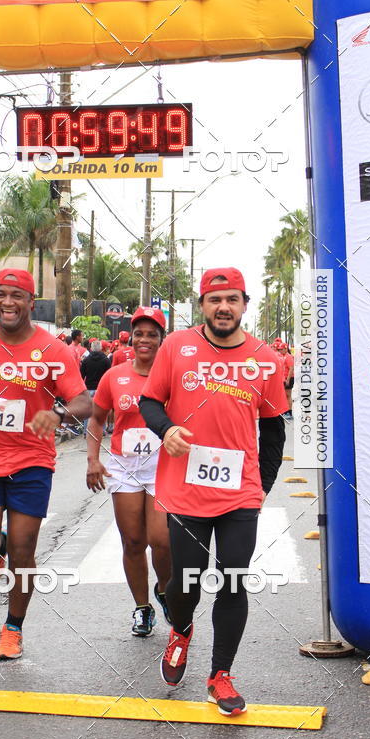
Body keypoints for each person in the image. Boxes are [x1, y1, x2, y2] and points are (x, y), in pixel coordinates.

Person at [139, 268, 286, 716]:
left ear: (244, 305)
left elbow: (274, 429)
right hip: (186, 489)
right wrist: (166, 430)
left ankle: (220, 676)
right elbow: (150, 401)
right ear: (202, 305)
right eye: (215, 299)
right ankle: (180, 629)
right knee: (186, 581)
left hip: (239, 492)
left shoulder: (264, 358)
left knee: (233, 580)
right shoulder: (176, 346)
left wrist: (261, 487)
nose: (224, 307)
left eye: (232, 299)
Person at [0, 269, 92, 661]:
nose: (7, 302)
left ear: (31, 302)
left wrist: (57, 413)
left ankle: (12, 628)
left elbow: (84, 401)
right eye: (1, 294)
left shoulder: (53, 349)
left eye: (17, 295)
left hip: (32, 461)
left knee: (23, 551)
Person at [86, 306, 171, 637]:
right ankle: (142, 607)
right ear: (131, 338)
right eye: (139, 334)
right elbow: (96, 419)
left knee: (161, 540)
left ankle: (163, 589)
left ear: (162, 339)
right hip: (125, 467)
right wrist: (93, 460)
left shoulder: (173, 376)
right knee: (134, 541)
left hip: (164, 465)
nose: (144, 340)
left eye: (152, 334)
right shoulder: (115, 376)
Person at [80, 339, 110, 436]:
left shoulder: (86, 360)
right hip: (101, 388)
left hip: (88, 387)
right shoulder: (106, 360)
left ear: (91, 348)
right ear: (101, 348)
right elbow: (108, 375)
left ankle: (86, 431)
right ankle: (102, 430)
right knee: (101, 410)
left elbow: (81, 376)